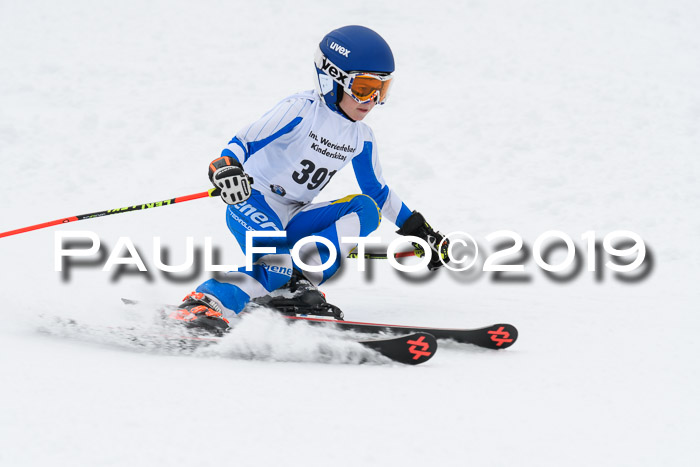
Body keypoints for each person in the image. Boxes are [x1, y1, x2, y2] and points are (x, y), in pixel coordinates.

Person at [168, 25, 449, 334]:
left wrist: (421, 231)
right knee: (276, 266)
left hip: (297, 213)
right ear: (332, 78)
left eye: (381, 90)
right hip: (254, 202)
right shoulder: (301, 110)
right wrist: (226, 168)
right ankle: (204, 302)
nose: (371, 100)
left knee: (366, 208)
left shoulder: (362, 137)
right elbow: (242, 142)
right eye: (364, 86)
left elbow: (377, 191)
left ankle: (293, 285)